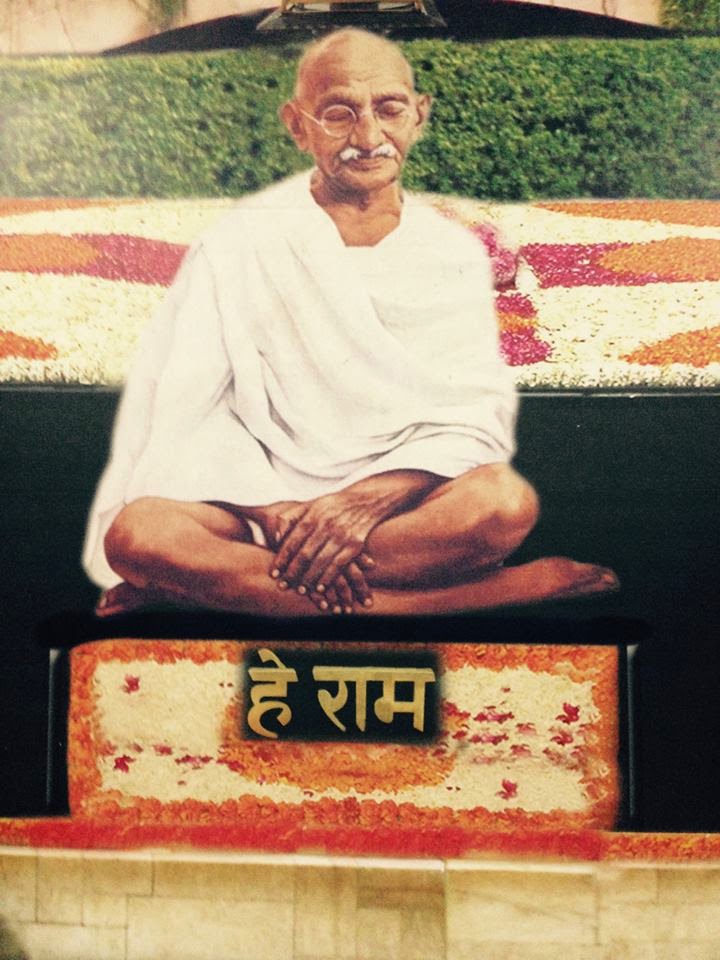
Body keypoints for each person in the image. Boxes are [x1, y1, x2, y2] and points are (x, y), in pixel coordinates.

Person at [83, 28, 618, 617]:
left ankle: (235, 589)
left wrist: (366, 500)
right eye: (339, 114)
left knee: (502, 503)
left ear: (419, 115)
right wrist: (274, 510)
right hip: (261, 507)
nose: (368, 138)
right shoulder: (239, 243)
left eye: (389, 109)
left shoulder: (450, 253)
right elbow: (194, 405)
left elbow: (469, 418)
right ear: (298, 126)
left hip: (396, 508)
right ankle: (465, 598)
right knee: (139, 534)